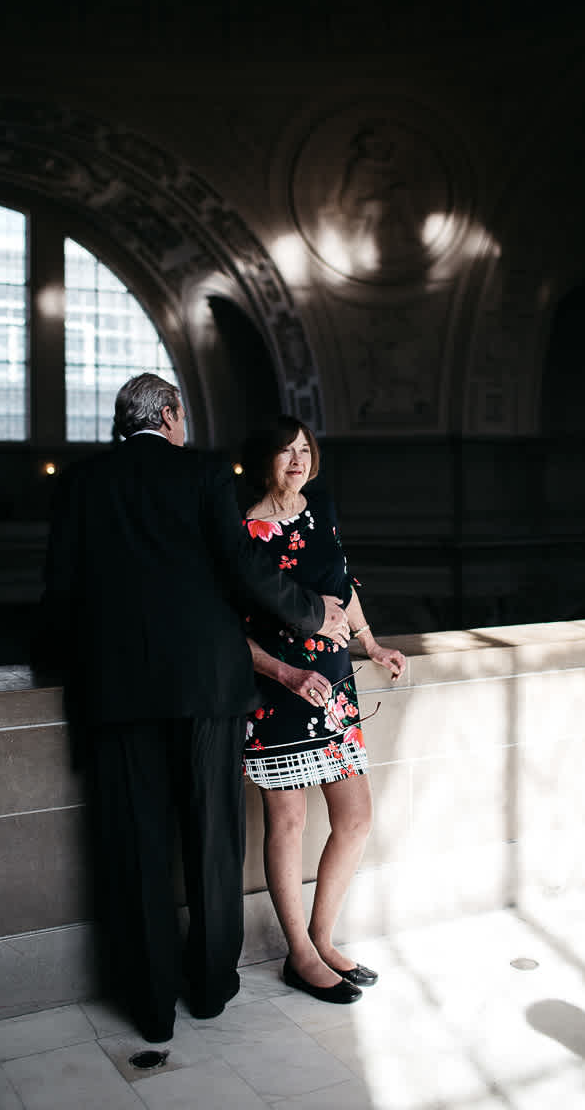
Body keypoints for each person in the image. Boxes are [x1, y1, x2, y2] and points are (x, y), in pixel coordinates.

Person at [35, 374, 350, 1042]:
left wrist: (58, 668)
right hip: (207, 686)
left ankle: (151, 1008)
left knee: (138, 847)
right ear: (172, 415)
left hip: (117, 693)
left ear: (126, 423)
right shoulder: (204, 475)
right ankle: (209, 988)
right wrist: (310, 613)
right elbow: (244, 568)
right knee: (212, 840)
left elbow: (59, 591)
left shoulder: (82, 484)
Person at [240, 414, 406, 1004]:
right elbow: (230, 628)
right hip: (277, 690)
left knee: (355, 816)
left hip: (334, 688)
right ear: (265, 459)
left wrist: (371, 642)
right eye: (285, 451)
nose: (297, 460)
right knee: (287, 822)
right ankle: (300, 956)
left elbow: (344, 582)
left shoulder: (321, 506)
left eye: (304, 449)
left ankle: (323, 935)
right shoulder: (243, 527)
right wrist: (283, 671)